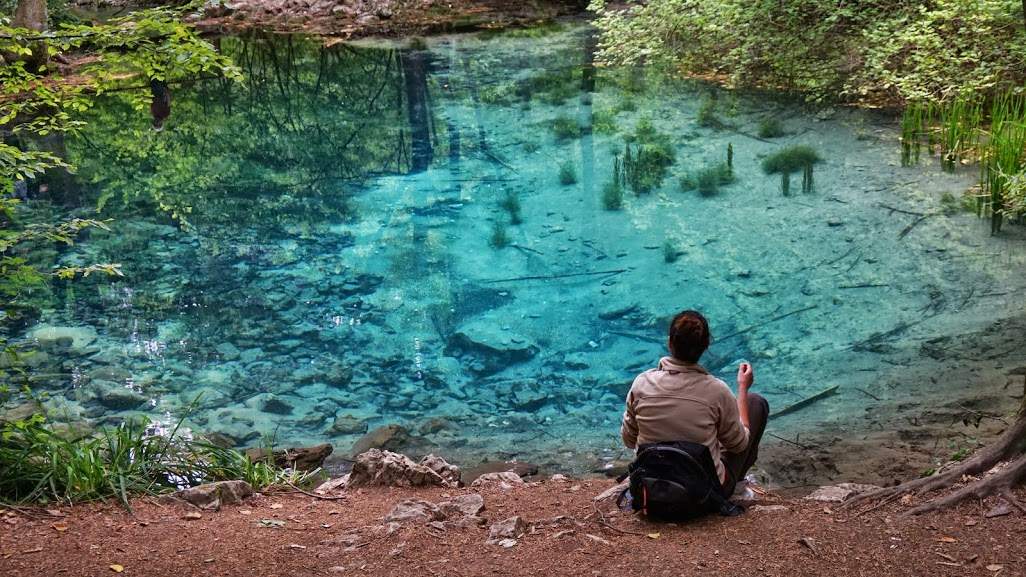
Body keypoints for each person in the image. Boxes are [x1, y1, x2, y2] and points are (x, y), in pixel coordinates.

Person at [620, 309, 769, 498]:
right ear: (706, 346)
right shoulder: (717, 390)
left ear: (670, 342)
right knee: (755, 403)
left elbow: (629, 440)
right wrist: (742, 388)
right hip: (702, 496)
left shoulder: (641, 384)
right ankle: (736, 486)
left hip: (650, 491)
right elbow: (739, 445)